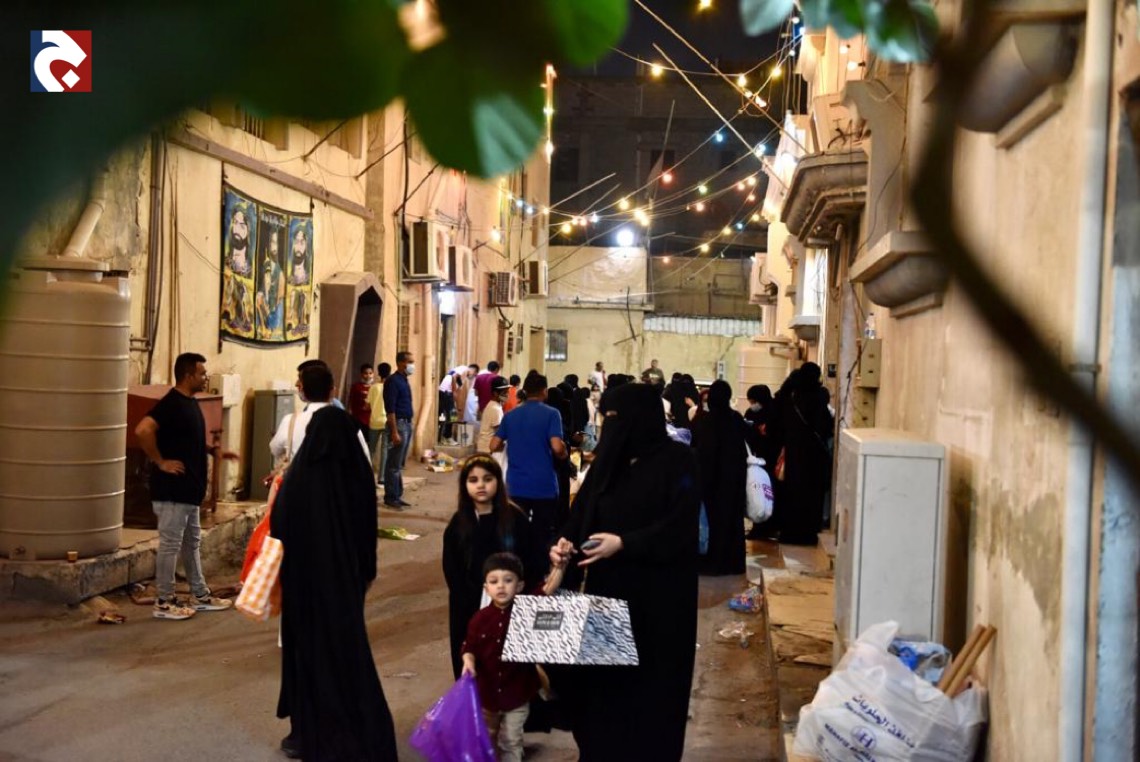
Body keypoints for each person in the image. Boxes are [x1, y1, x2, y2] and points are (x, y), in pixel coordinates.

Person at [548, 383, 700, 760]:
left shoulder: (678, 461)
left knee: (651, 693)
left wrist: (624, 543)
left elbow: (680, 526)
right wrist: (564, 544)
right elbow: (582, 514)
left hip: (660, 603)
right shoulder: (608, 462)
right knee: (601, 694)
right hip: (607, 599)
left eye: (617, 418)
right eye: (608, 417)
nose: (611, 425)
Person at [270, 365, 398, 761]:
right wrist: (364, 570)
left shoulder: (300, 480)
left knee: (307, 656)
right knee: (346, 654)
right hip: (345, 580)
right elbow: (366, 518)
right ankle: (356, 728)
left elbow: (280, 526)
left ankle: (307, 732)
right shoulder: (353, 471)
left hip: (304, 586)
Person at [134, 353, 237, 620]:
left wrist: (214, 451)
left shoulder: (190, 403)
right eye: (202, 373)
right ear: (188, 375)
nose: (205, 377)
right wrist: (161, 461)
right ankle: (164, 601)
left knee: (191, 543)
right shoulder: (170, 404)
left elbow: (186, 440)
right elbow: (142, 430)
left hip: (189, 491)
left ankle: (200, 595)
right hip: (172, 491)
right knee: (171, 545)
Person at [461, 552, 563, 762]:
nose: (501, 586)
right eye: (494, 581)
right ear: (486, 588)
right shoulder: (479, 619)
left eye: (508, 580)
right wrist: (468, 662)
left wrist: (560, 565)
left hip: (517, 695)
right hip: (487, 696)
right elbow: (469, 646)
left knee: (511, 740)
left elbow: (548, 588)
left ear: (519, 586)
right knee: (487, 737)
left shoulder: (526, 610)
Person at [442, 457, 534, 678]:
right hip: (469, 606)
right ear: (464, 485)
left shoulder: (514, 518)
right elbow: (452, 569)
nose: (481, 485)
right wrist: (469, 597)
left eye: (488, 479)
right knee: (472, 663)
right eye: (473, 480)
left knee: (509, 671)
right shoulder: (459, 523)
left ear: (498, 482)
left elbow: (532, 560)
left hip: (511, 604)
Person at [490, 374, 567, 574]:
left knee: (516, 532)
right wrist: (564, 452)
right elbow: (557, 447)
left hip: (516, 486)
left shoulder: (511, 415)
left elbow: (494, 445)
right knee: (542, 534)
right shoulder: (552, 414)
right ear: (544, 391)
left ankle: (516, 572)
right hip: (544, 486)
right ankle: (538, 576)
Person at [691, 380, 748, 576]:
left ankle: (712, 562)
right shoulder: (736, 419)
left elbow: (699, 452)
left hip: (711, 483)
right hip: (733, 481)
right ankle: (733, 563)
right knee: (732, 521)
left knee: (712, 522)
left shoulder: (704, 421)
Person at [775, 363, 834, 545]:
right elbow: (825, 426)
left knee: (793, 494)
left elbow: (779, 421)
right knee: (812, 496)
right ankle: (808, 534)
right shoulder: (818, 397)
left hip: (794, 455)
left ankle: (790, 533)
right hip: (814, 457)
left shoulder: (791, 397)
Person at [271, 360, 370, 466]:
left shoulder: (291, 421)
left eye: (300, 379)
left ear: (303, 388)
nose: (297, 384)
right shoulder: (349, 423)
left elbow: (275, 449)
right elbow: (365, 458)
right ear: (332, 390)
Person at [383, 351, 416, 509]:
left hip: (407, 424)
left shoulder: (404, 380)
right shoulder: (393, 381)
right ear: (401, 363)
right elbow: (390, 409)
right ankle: (391, 496)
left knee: (399, 463)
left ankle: (397, 493)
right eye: (410, 362)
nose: (412, 365)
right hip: (399, 424)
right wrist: (394, 431)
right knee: (393, 464)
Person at [366, 363, 391, 484]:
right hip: (386, 421)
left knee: (371, 449)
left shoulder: (373, 387)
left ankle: (367, 476)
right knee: (384, 450)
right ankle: (381, 478)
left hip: (374, 421)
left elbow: (367, 406)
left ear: (378, 373)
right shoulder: (390, 387)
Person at [477, 376, 510, 459]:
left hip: (484, 447)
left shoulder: (493, 405)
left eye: (507, 392)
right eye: (504, 392)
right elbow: (500, 432)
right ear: (495, 393)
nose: (507, 395)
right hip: (487, 449)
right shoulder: (495, 409)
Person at [348, 363, 374, 435]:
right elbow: (351, 401)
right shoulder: (356, 387)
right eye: (366, 373)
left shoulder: (375, 387)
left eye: (370, 373)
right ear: (361, 374)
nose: (368, 376)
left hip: (371, 420)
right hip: (358, 419)